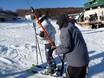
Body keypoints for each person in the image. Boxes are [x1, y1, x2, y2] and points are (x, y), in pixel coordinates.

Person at [55, 14, 89, 78]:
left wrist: (56, 50)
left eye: (58, 23)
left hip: (76, 62)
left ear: (61, 22)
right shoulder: (73, 26)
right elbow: (72, 43)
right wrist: (58, 47)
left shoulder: (65, 29)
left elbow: (67, 47)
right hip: (84, 58)